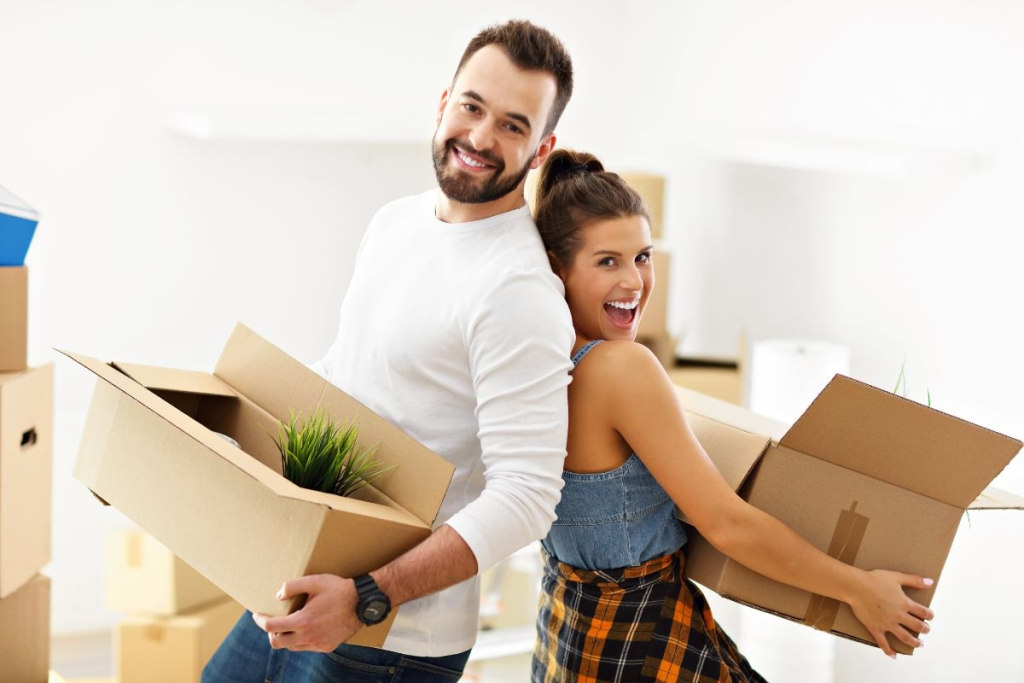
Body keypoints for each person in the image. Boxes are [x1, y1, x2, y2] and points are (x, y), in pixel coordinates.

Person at [203, 20, 576, 683]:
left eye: (513, 126)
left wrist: (367, 596)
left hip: (388, 636)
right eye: (472, 106)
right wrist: (197, 441)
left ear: (541, 147)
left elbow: (526, 495)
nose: (482, 137)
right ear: (443, 104)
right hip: (301, 576)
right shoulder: (395, 222)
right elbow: (347, 380)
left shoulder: (517, 290)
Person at [530, 149, 936, 683]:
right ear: (558, 269)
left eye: (643, 257)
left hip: (569, 633)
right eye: (608, 261)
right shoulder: (620, 367)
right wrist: (859, 588)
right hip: (639, 643)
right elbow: (727, 525)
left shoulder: (538, 364)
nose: (634, 282)